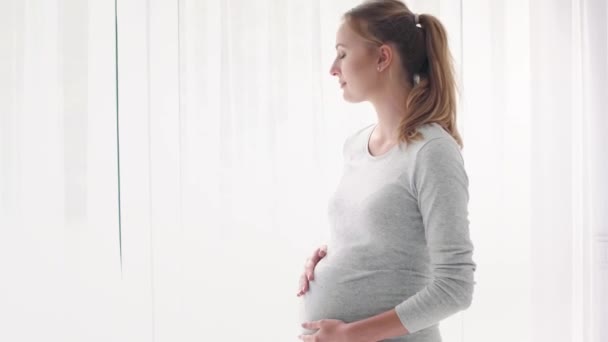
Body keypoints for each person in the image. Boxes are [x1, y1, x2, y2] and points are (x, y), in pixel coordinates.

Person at [296, 1, 476, 341]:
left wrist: (351, 334)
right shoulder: (355, 145)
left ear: (382, 58)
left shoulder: (432, 152)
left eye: (343, 53)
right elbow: (385, 242)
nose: (333, 68)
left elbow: (455, 286)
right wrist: (331, 259)